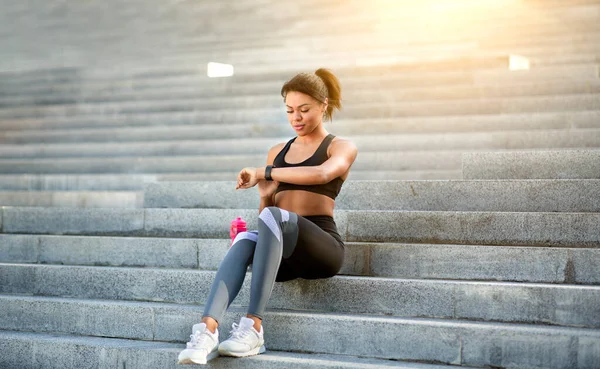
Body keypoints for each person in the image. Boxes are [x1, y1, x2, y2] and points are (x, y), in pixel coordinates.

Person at [177, 68, 358, 365]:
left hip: (321, 247)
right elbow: (267, 217)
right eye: (289, 111)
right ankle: (207, 332)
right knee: (248, 236)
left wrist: (264, 172)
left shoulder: (340, 147)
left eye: (304, 110)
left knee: (275, 216)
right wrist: (264, 193)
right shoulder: (278, 151)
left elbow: (323, 173)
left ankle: (253, 328)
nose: (296, 117)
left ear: (324, 104)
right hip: (281, 254)